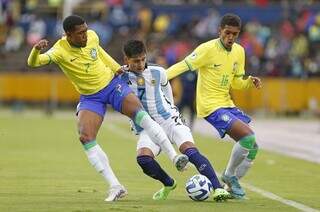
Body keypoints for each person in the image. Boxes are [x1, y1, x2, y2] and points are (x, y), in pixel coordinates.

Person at [27, 15, 188, 202]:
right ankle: (115, 186)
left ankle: (174, 157)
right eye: (80, 33)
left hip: (112, 86)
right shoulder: (59, 51)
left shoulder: (92, 36)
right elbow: (34, 63)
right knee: (85, 137)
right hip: (91, 97)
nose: (85, 35)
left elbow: (100, 52)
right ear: (68, 35)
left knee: (141, 115)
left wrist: (115, 67)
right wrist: (35, 51)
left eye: (85, 30)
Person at [120, 40, 230, 201]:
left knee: (189, 151)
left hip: (169, 121)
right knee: (143, 159)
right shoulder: (120, 76)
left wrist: (172, 107)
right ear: (126, 60)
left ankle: (218, 189)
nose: (140, 64)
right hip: (146, 127)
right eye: (136, 61)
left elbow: (166, 87)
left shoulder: (158, 71)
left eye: (143, 59)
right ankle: (168, 183)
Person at [166, 13, 262, 199]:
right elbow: (184, 65)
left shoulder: (239, 51)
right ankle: (229, 175)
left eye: (235, 34)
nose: (231, 37)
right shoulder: (207, 49)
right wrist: (160, 77)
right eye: (227, 33)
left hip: (227, 104)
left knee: (253, 146)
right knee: (248, 137)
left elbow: (236, 83)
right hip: (210, 106)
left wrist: (249, 81)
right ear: (220, 31)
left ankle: (231, 186)